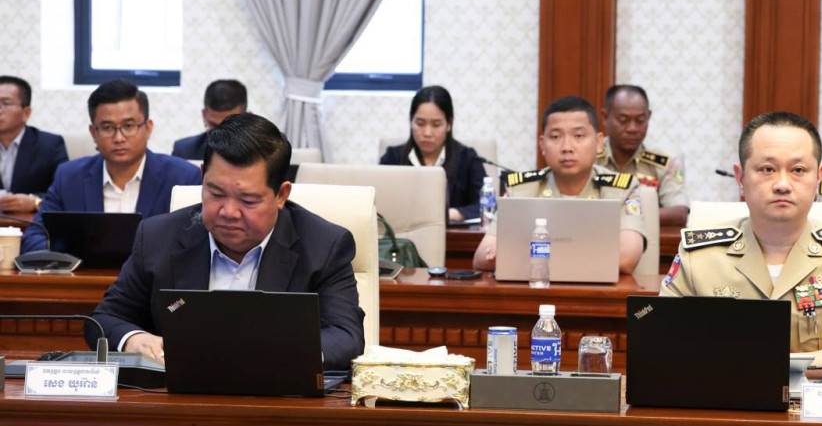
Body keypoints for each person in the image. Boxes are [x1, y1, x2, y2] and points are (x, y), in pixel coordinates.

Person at [87, 113, 365, 370]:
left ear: (281, 195)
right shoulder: (158, 237)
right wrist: (134, 339)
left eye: (248, 200)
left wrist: (278, 354)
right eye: (216, 194)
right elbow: (103, 320)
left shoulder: (324, 245)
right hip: (181, 399)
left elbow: (345, 336)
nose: (228, 212)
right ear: (202, 178)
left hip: (279, 398)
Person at [661, 111, 822, 375]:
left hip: (818, 401)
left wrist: (771, 364)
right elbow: (661, 343)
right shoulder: (698, 257)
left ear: (818, 177)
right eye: (767, 169)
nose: (782, 184)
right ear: (740, 177)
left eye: (798, 170)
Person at [20, 79, 202, 253]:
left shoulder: (184, 177)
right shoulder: (69, 177)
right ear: (93, 133)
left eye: (128, 126)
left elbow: (198, 241)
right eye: (107, 127)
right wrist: (74, 252)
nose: (119, 138)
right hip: (86, 273)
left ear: (148, 128)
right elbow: (33, 237)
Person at [472, 95, 647, 275]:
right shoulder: (522, 190)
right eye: (555, 137)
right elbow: (482, 256)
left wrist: (523, 253)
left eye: (578, 136)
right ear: (542, 145)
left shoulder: (621, 190)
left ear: (599, 143)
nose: (566, 147)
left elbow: (627, 258)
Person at [379, 85, 485, 221]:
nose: (427, 133)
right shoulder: (392, 158)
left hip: (452, 233)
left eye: (436, 124)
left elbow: (486, 203)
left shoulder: (468, 159)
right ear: (411, 121)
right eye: (420, 123)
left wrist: (450, 214)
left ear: (449, 124)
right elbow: (377, 203)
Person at [597, 84, 689, 226]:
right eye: (623, 120)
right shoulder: (587, 156)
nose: (632, 128)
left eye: (640, 120)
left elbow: (679, 214)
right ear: (605, 117)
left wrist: (621, 214)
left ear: (648, 117)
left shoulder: (666, 161)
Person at [0, 75, 68, 213]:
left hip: (32, 221)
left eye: (6, 104)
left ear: (26, 113)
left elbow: (65, 191)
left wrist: (36, 202)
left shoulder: (50, 145)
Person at [172, 79, 248, 161]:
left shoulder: (258, 153)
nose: (222, 132)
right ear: (204, 115)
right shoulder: (184, 151)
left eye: (230, 124)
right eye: (215, 125)